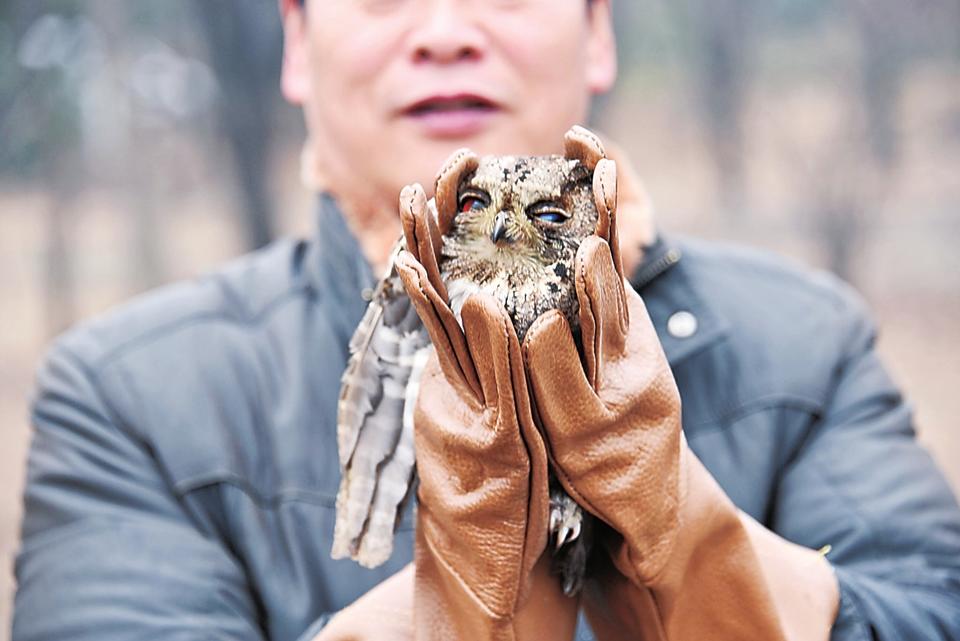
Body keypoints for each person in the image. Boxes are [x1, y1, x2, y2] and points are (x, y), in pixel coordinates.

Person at [11, 0, 960, 639]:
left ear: (597, 31)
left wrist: (692, 539)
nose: (447, 30)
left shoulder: (805, 342)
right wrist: (451, 609)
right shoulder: (131, 397)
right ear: (298, 43)